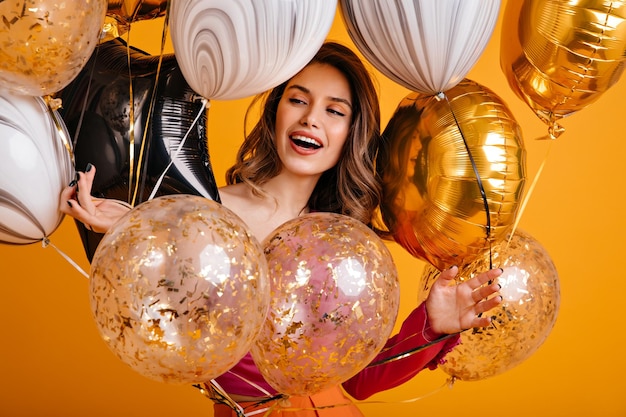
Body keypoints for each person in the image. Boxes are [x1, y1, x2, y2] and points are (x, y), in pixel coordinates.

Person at [60, 42, 502, 416]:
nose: (311, 118)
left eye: (334, 110)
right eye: (298, 99)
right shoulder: (205, 213)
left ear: (351, 132)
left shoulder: (344, 242)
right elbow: (193, 343)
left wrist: (430, 327)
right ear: (276, 110)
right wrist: (138, 231)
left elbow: (358, 382)